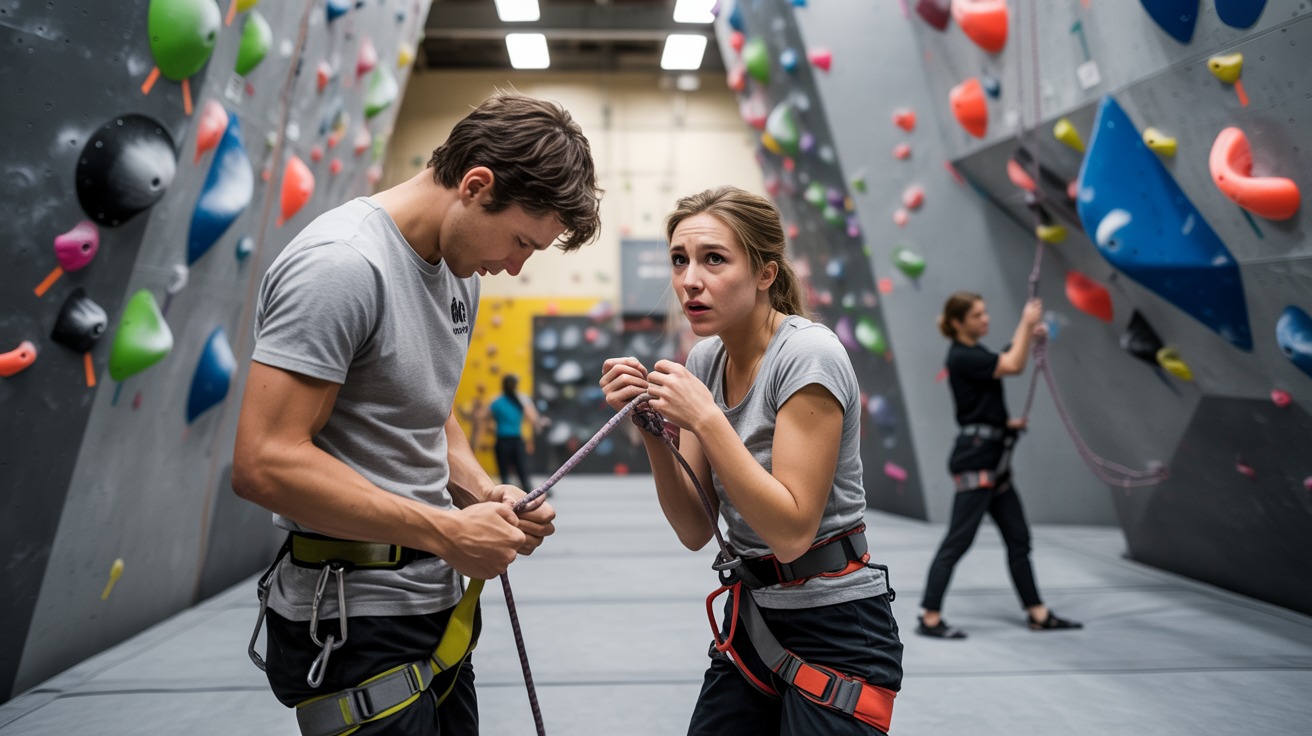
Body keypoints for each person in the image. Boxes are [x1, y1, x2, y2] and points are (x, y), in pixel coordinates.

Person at [231, 90, 601, 734]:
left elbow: (428, 410)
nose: (515, 267)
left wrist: (484, 493)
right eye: (520, 241)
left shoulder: (459, 272)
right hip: (353, 622)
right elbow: (265, 462)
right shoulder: (343, 266)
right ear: (475, 184)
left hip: (430, 605)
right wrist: (447, 531)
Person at [599, 187, 903, 735]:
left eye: (714, 259)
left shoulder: (808, 355)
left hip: (836, 625)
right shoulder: (705, 358)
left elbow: (791, 533)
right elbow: (694, 527)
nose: (690, 279)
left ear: (765, 273)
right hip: (754, 621)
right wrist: (652, 433)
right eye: (679, 260)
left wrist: (707, 420)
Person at [916, 292, 1083, 639]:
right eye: (977, 315)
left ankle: (1037, 612)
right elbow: (1012, 365)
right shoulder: (962, 356)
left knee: (1018, 538)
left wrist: (1006, 425)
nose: (986, 319)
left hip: (994, 457)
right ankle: (929, 616)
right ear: (959, 323)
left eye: (985, 312)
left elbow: (997, 371)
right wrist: (1026, 323)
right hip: (977, 458)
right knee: (958, 540)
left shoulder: (975, 354)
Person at [486, 373, 542, 493]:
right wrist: (538, 426)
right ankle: (528, 495)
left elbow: (486, 419)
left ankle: (506, 496)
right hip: (517, 441)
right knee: (522, 472)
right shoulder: (521, 400)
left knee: (504, 474)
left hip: (502, 441)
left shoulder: (496, 401)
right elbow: (532, 418)